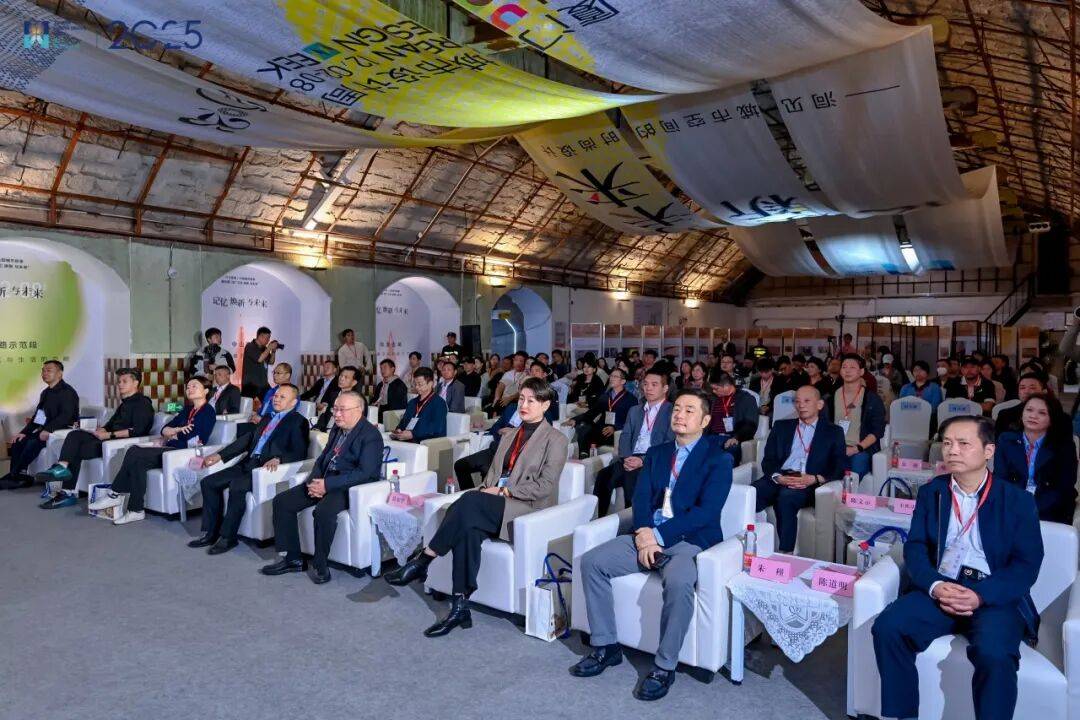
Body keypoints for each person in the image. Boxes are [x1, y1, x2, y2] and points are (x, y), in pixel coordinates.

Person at [871, 416, 1043, 720]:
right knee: (889, 627)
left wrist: (980, 596)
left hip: (992, 594)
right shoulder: (933, 492)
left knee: (994, 654)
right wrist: (935, 585)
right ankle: (904, 715)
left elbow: (1026, 564)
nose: (952, 450)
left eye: (964, 443)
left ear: (988, 451)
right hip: (944, 585)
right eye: (948, 443)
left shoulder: (1017, 500)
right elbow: (916, 547)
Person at [570, 388, 732, 702]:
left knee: (680, 582)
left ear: (705, 420)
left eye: (689, 410)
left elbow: (707, 512)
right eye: (677, 409)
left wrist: (657, 538)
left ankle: (664, 665)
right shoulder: (658, 452)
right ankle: (606, 645)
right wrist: (645, 533)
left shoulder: (718, 459)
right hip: (647, 533)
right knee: (592, 562)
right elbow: (642, 498)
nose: (680, 415)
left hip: (688, 541)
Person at [386, 378, 568, 637]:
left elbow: (545, 486)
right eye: (521, 399)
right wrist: (488, 490)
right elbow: (493, 474)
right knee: (468, 527)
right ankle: (460, 606)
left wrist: (504, 491)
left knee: (469, 502)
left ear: (546, 404)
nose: (523, 405)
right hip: (496, 503)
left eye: (531, 400)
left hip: (526, 509)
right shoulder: (511, 434)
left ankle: (424, 559)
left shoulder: (555, 439)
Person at [261, 391, 382, 583]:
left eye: (342, 410)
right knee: (282, 501)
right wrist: (313, 481)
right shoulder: (337, 429)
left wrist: (328, 485)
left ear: (359, 410)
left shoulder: (371, 435)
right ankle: (293, 559)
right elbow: (323, 458)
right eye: (335, 409)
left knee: (323, 511)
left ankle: (320, 563)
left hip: (349, 486)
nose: (337, 414)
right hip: (325, 479)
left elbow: (365, 473)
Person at [189, 383, 310, 554]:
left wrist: (280, 459)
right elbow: (247, 440)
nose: (276, 399)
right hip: (248, 463)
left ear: (293, 402)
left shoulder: (298, 421)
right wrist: (220, 455)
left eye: (282, 397)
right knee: (208, 483)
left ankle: (228, 537)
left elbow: (300, 451)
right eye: (276, 396)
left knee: (237, 486)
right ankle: (211, 532)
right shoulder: (267, 417)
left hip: (265, 469)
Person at [89, 376, 216, 525]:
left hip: (183, 452)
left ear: (205, 390)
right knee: (137, 461)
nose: (190, 389)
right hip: (171, 448)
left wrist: (174, 433)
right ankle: (136, 510)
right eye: (188, 387)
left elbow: (193, 437)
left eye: (194, 386)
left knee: (134, 452)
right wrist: (175, 431)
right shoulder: (187, 410)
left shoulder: (208, 411)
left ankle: (114, 494)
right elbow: (165, 429)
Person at [37, 368, 155, 509]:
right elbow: (110, 424)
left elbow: (138, 430)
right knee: (75, 435)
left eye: (124, 381)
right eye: (119, 381)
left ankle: (67, 492)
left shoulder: (143, 403)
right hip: (107, 439)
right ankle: (62, 468)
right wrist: (101, 429)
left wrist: (109, 435)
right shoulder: (125, 403)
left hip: (118, 444)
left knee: (75, 450)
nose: (120, 384)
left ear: (135, 383)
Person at [753, 386, 847, 552]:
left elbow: (840, 466)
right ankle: (746, 544)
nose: (801, 405)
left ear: (819, 404)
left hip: (809, 481)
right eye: (797, 401)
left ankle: (785, 552)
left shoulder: (833, 432)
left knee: (786, 497)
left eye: (806, 401)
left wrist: (815, 478)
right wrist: (777, 476)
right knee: (752, 492)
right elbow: (769, 459)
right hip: (781, 476)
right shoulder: (781, 426)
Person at [452, 362, 557, 488]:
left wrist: (513, 433)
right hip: (496, 449)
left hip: (515, 458)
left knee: (488, 474)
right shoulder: (511, 408)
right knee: (460, 465)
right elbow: (496, 427)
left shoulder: (542, 413)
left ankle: (484, 493)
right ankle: (470, 493)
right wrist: (500, 431)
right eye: (522, 387)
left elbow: (538, 442)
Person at [592, 369, 674, 517]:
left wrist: (642, 460)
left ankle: (633, 522)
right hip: (630, 456)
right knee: (603, 476)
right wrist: (627, 457)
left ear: (665, 388)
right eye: (646, 384)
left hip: (652, 460)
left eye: (654, 384)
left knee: (631, 478)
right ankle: (600, 520)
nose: (648, 388)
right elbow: (625, 436)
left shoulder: (672, 412)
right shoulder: (635, 410)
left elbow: (669, 443)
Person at [993, 393, 1077, 524]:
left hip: (1050, 509)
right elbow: (1000, 479)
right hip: (1012, 505)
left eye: (1042, 413)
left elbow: (1063, 487)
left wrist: (1030, 510)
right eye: (1029, 410)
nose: (1033, 416)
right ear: (1022, 414)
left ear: (1052, 419)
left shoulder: (1063, 446)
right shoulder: (1006, 440)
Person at [0, 360, 79, 490]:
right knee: (19, 441)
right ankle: (19, 475)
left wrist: (48, 429)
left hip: (61, 432)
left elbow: (66, 417)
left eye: (49, 370)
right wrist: (23, 432)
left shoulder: (68, 392)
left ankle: (15, 476)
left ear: (59, 374)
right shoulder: (46, 393)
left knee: (33, 442)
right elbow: (39, 418)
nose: (44, 373)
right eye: (43, 371)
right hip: (45, 431)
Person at [829, 354, 885, 477]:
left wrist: (856, 449)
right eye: (844, 367)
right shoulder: (831, 397)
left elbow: (877, 431)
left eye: (852, 367)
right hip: (835, 448)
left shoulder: (872, 399)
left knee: (856, 467)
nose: (847, 370)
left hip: (860, 450)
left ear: (861, 371)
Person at [565, 368, 636, 455]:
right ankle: (584, 456)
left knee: (594, 436)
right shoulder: (605, 396)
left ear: (623, 381)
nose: (611, 378)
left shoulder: (631, 399)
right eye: (611, 376)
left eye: (615, 376)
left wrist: (615, 428)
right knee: (584, 430)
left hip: (618, 431)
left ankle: (587, 454)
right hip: (602, 428)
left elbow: (632, 421)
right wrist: (575, 420)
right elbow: (592, 413)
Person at [705, 371, 758, 464]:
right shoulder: (713, 399)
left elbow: (750, 424)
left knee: (729, 451)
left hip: (733, 438)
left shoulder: (746, 399)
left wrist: (736, 437)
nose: (713, 391)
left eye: (716, 389)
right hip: (712, 437)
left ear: (726, 386)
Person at [391, 368, 447, 443]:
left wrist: (413, 434)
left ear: (430, 384)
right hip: (409, 440)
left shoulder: (439, 403)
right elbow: (404, 421)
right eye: (415, 384)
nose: (417, 387)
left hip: (427, 442)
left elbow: (436, 427)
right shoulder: (412, 402)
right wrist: (399, 430)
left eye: (420, 384)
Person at [994, 373, 1057, 438]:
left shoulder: (1053, 413)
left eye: (1032, 388)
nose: (1026, 391)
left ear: (1043, 391)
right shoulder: (1005, 415)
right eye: (1022, 388)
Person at [239, 363, 293, 437]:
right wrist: (256, 414)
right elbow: (264, 407)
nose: (274, 375)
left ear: (287, 375)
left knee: (241, 431)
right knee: (237, 428)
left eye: (278, 373)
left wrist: (262, 419)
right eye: (274, 372)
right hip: (259, 423)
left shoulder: (292, 393)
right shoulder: (271, 390)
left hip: (272, 427)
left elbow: (284, 415)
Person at [314, 366, 359, 432]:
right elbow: (325, 414)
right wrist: (318, 427)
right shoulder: (334, 395)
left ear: (354, 382)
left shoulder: (357, 400)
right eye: (341, 375)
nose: (341, 379)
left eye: (346, 377)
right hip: (326, 430)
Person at [241, 327, 278, 399]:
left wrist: (273, 351)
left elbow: (271, 362)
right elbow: (259, 359)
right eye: (267, 338)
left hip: (263, 384)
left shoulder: (264, 349)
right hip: (250, 385)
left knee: (271, 402)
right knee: (246, 405)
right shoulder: (250, 346)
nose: (268, 340)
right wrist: (269, 348)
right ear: (260, 336)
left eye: (269, 338)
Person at [370, 358, 408, 423]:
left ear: (392, 369)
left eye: (385, 368)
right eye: (381, 368)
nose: (382, 371)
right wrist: (372, 404)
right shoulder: (380, 384)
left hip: (392, 414)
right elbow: (375, 398)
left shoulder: (399, 384)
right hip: (379, 411)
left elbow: (399, 404)